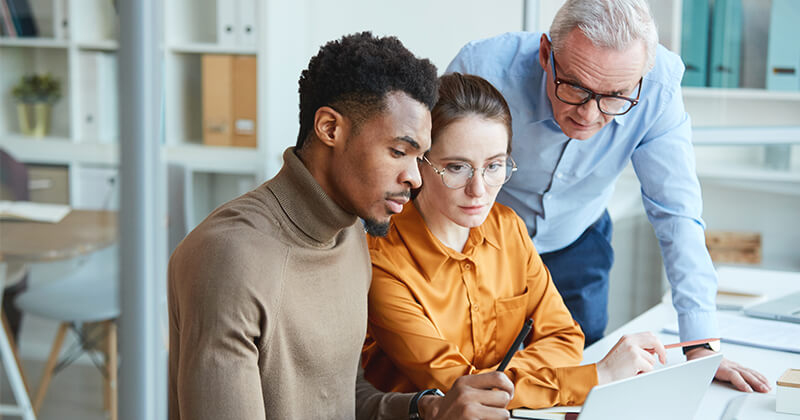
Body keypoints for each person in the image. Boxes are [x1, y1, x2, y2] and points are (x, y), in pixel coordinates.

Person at [168, 32, 514, 420]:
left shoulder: (350, 232)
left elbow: (340, 399)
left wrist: (429, 408)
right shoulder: (230, 257)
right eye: (399, 151)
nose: (415, 178)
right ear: (330, 128)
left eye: (419, 157)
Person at [445, 0, 770, 392]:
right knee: (473, 379)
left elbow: (677, 213)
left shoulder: (658, 86)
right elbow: (433, 175)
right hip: (478, 247)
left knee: (581, 378)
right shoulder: (485, 68)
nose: (589, 114)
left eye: (615, 96)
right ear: (547, 54)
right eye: (576, 88)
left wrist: (700, 344)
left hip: (577, 241)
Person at [362, 72, 668, 409]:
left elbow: (565, 338)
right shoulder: (379, 260)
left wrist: (500, 380)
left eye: (494, 166)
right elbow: (456, 390)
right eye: (456, 168)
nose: (478, 190)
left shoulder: (508, 228)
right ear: (420, 163)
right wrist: (597, 376)